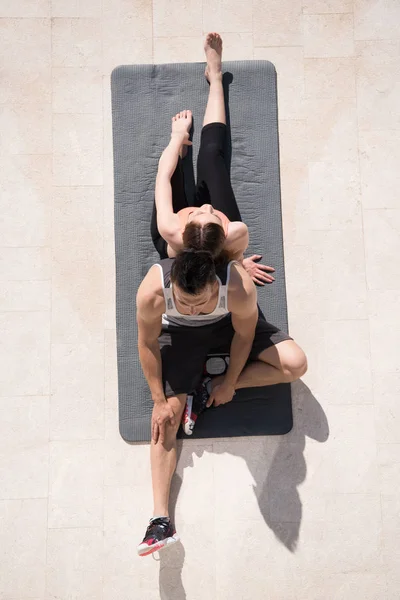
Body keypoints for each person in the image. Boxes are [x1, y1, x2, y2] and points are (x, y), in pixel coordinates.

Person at [136, 33, 308, 558]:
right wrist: (159, 397)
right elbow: (145, 345)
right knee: (163, 417)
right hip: (191, 290)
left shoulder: (231, 247)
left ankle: (215, 77)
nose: (202, 210)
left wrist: (230, 380)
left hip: (225, 267)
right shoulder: (166, 244)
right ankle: (159, 519)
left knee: (214, 160)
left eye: (209, 212)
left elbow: (242, 334)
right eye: (198, 214)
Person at [150, 32, 275, 287]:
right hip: (211, 249)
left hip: (179, 243)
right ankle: (216, 79)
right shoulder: (236, 231)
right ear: (223, 232)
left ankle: (182, 150)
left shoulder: (170, 228)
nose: (207, 207)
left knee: (174, 170)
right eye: (213, 214)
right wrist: (239, 263)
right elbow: (233, 252)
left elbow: (161, 175)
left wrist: (176, 137)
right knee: (211, 156)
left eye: (199, 212)